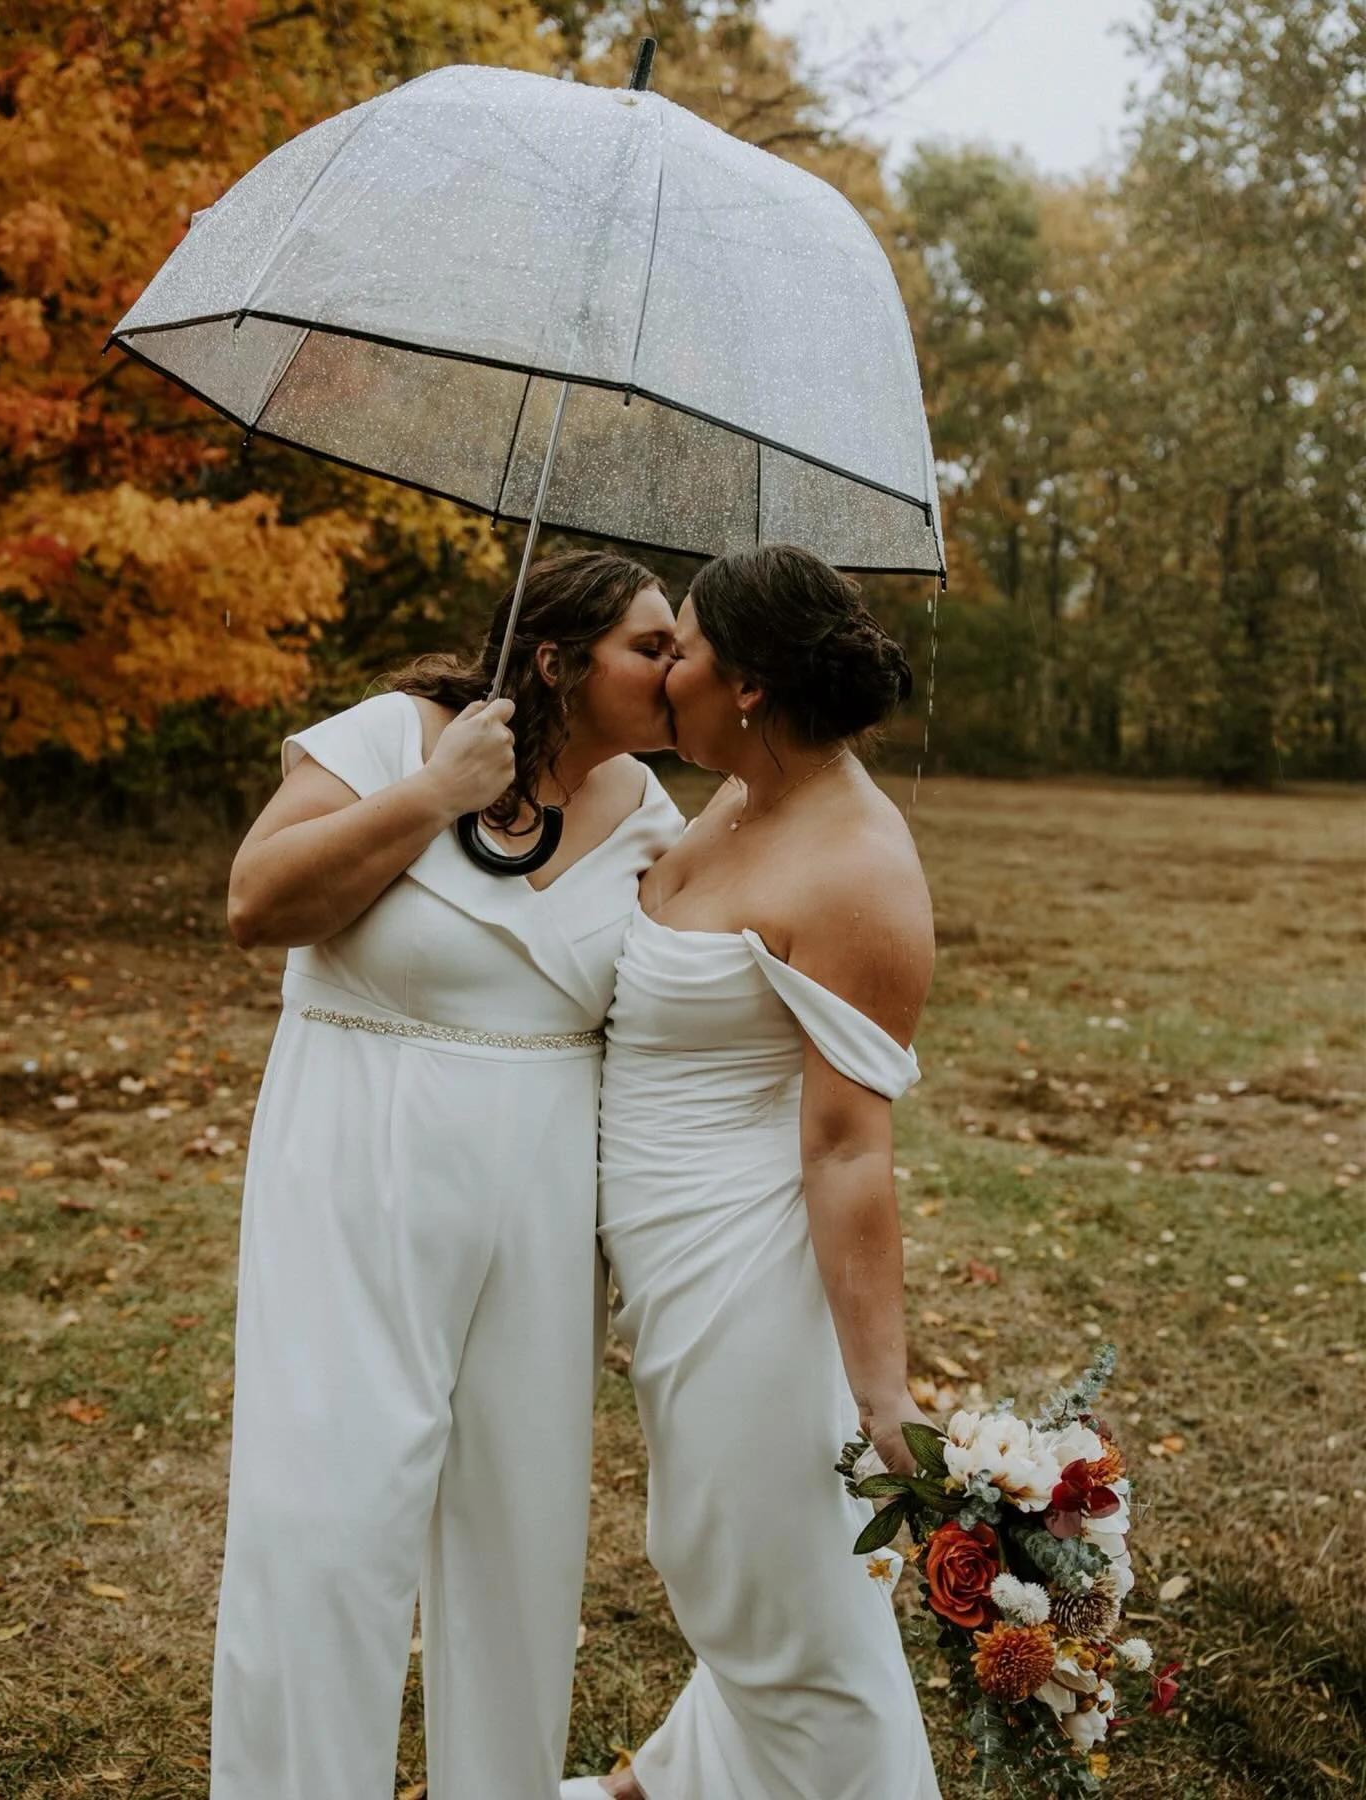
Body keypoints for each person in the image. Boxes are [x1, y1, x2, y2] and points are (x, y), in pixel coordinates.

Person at [213, 550, 682, 1800]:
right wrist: (437, 792)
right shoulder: (392, 736)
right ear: (556, 660)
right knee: (326, 1518)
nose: (677, 668)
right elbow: (256, 904)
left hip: (544, 1196)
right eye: (650, 647)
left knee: (520, 1532)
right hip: (358, 1153)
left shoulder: (650, 812)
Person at [565, 544, 940, 1800]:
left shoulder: (859, 868)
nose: (662, 671)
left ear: (751, 687)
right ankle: (675, 1782)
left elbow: (848, 1147)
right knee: (740, 1562)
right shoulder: (735, 793)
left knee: (769, 1585)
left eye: (683, 651)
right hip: (666, 1254)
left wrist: (882, 1395)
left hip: (745, 1271)